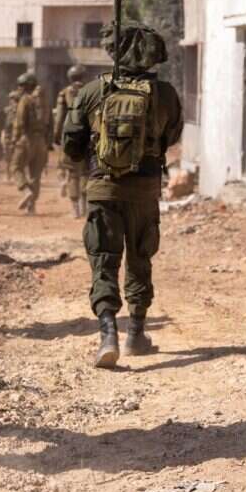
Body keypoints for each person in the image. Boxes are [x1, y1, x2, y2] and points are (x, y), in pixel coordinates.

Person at [62, 21, 182, 369]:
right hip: (145, 190)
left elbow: (70, 145)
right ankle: (137, 334)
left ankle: (108, 333)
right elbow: (171, 137)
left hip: (103, 188)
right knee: (140, 257)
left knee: (104, 259)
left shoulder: (91, 91)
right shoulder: (166, 94)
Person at [11, 72, 49, 215]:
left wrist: (15, 139)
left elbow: (19, 123)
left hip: (27, 139)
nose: (19, 88)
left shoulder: (25, 100)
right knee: (35, 174)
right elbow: (50, 123)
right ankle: (31, 207)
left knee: (15, 166)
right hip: (42, 141)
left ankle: (25, 190)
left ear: (26, 86)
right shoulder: (44, 101)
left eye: (21, 85)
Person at [54, 64, 88, 218]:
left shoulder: (65, 93)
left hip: (71, 136)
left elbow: (60, 117)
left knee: (73, 172)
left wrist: (56, 135)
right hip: (89, 137)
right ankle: (85, 206)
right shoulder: (93, 90)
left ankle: (75, 209)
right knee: (86, 172)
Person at [1, 89, 22, 183]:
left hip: (17, 137)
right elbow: (3, 124)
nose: (12, 101)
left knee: (18, 158)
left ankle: (15, 176)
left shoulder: (20, 110)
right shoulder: (7, 111)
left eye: (14, 99)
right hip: (8, 137)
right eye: (11, 99)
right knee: (8, 158)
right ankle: (8, 175)